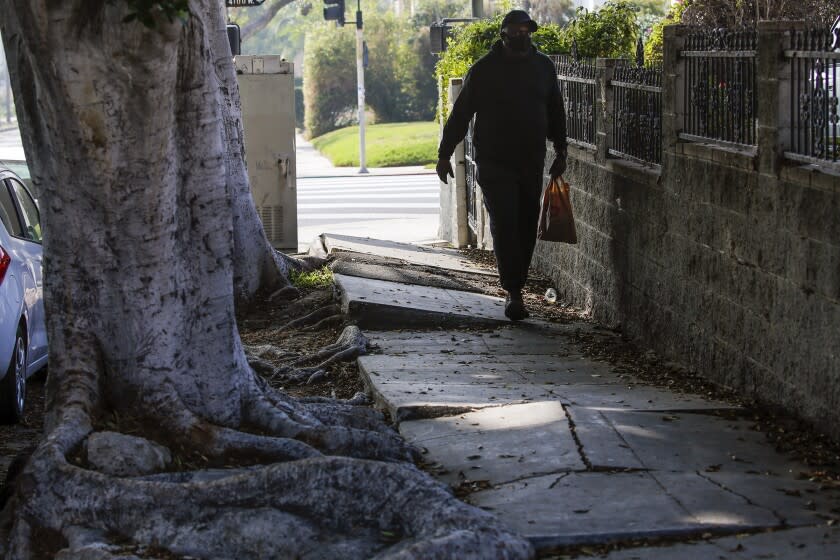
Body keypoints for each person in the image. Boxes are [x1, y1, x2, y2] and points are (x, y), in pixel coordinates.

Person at [436, 9, 567, 322]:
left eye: (527, 30)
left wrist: (561, 149)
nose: (523, 35)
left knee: (525, 223)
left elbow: (556, 110)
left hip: (530, 161)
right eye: (517, 30)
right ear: (504, 33)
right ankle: (514, 291)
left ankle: (516, 284)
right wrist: (444, 154)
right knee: (505, 222)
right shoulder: (483, 71)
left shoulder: (543, 67)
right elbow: (461, 114)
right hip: (494, 162)